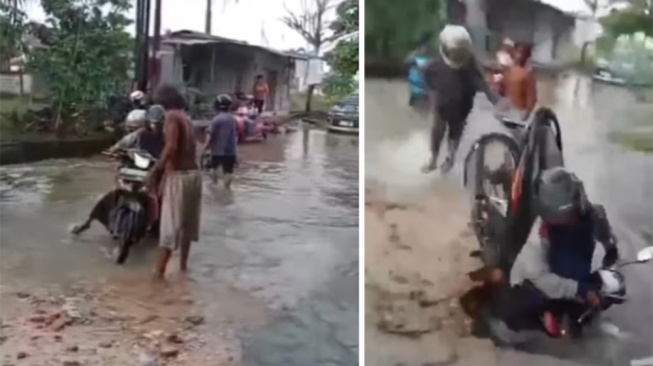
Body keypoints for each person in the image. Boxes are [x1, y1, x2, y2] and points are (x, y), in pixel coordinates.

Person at [490, 167, 619, 338]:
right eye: (558, 218)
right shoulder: (539, 236)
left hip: (571, 278)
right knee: (515, 314)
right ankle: (545, 317)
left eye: (568, 215)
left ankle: (570, 315)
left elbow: (608, 242)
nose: (564, 221)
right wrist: (581, 290)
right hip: (535, 285)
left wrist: (610, 257)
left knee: (605, 295)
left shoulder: (593, 216)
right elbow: (540, 277)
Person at [422, 25, 505, 174]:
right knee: (437, 131)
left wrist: (495, 99)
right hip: (442, 106)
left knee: (455, 135)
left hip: (462, 107)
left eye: (459, 52)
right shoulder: (435, 65)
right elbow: (429, 81)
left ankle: (450, 159)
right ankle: (433, 159)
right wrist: (431, 98)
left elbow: (481, 83)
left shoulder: (469, 63)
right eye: (454, 52)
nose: (456, 54)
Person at [148, 84, 202, 279]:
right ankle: (183, 268)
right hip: (194, 175)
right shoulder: (187, 118)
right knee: (187, 226)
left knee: (168, 231)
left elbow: (170, 147)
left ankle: (157, 276)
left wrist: (154, 171)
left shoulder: (171, 117)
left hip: (178, 177)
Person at [203, 94, 238, 188]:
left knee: (212, 169)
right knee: (228, 172)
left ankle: (213, 188)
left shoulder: (216, 120)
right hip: (231, 151)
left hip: (217, 151)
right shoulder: (233, 119)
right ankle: (227, 190)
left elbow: (210, 136)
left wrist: (205, 149)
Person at [501, 42, 537, 121]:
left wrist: (526, 115)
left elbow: (532, 98)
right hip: (508, 110)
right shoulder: (508, 71)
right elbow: (504, 90)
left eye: (521, 53)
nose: (518, 55)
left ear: (527, 57)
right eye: (517, 52)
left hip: (521, 112)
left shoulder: (528, 75)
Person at [406, 32, 435, 111]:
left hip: (425, 95)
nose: (425, 48)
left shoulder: (430, 60)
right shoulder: (413, 58)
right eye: (423, 46)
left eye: (426, 46)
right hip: (416, 94)